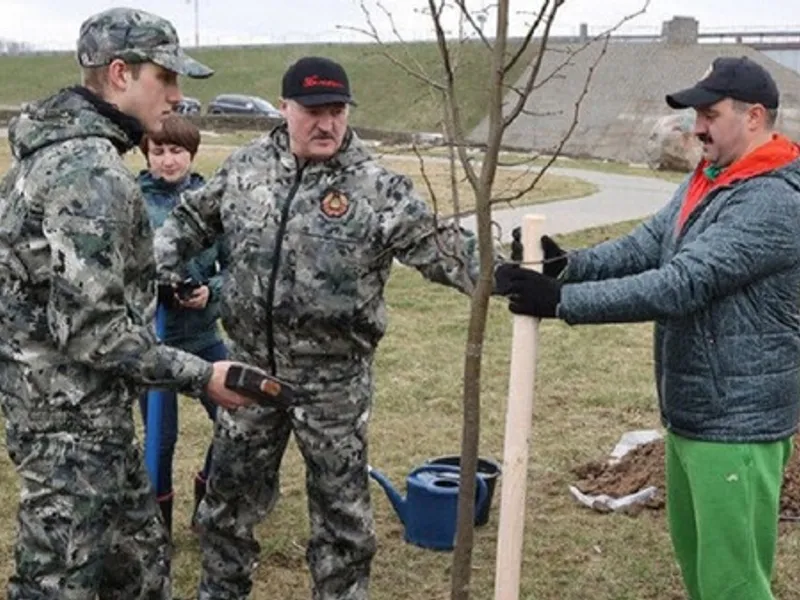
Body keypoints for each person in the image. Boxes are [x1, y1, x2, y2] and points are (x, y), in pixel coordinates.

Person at [154, 56, 498, 599]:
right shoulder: (246, 169)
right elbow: (192, 219)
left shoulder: (375, 188)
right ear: (285, 108)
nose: (327, 124)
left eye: (337, 110)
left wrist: (513, 272)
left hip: (334, 384)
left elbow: (442, 249)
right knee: (227, 511)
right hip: (250, 374)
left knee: (342, 524)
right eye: (313, 111)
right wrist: (160, 263)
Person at [496, 56, 800, 600]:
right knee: (698, 568)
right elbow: (645, 246)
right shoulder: (709, 180)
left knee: (734, 584)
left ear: (755, 117)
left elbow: (680, 284)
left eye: (709, 113)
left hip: (738, 426)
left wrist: (563, 301)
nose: (697, 127)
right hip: (692, 413)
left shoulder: (773, 202)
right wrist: (569, 265)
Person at [0, 8, 257, 599]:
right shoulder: (89, 173)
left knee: (140, 571)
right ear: (120, 74)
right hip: (69, 433)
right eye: (164, 78)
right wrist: (201, 374)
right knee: (56, 584)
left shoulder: (50, 155)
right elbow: (92, 331)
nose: (176, 95)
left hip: (92, 420)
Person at [137, 115, 230, 537]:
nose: (168, 160)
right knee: (160, 440)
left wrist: (211, 291)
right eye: (159, 151)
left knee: (236, 419)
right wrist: (154, 289)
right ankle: (160, 531)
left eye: (177, 151)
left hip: (205, 338)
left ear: (192, 154)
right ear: (147, 155)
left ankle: (207, 500)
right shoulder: (133, 201)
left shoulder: (212, 200)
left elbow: (237, 267)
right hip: (153, 343)